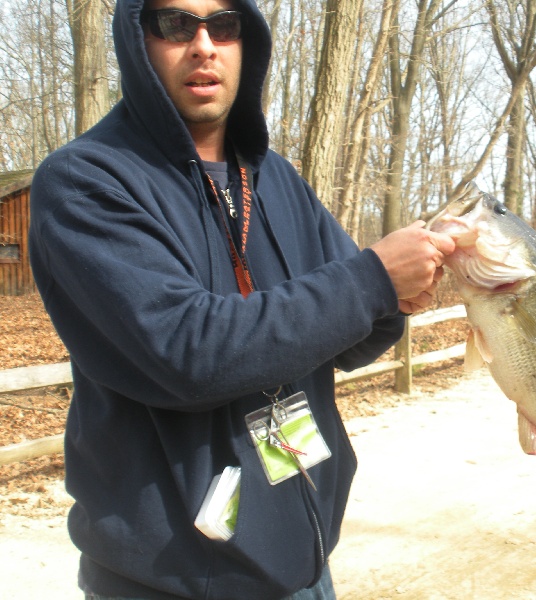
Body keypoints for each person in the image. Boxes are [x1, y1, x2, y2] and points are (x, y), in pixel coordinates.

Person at [28, 0, 455, 598]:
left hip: (303, 567)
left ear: (245, 42)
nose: (203, 45)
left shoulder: (275, 178)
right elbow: (189, 352)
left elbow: (347, 335)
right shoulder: (88, 181)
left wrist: (401, 292)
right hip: (167, 580)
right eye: (177, 24)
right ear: (136, 39)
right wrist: (372, 281)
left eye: (223, 25)